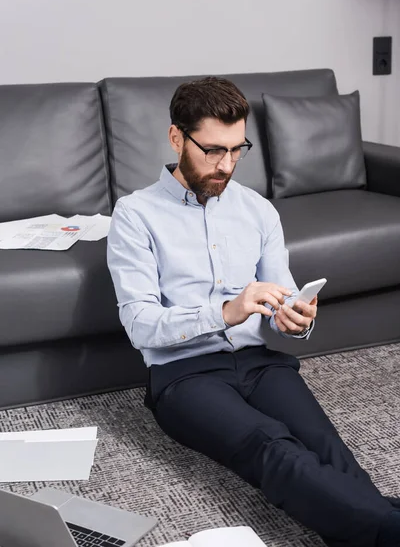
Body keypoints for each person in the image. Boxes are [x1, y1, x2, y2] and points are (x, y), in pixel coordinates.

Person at [107, 77, 400, 547]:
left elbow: (279, 299)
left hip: (260, 364)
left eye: (237, 149)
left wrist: (294, 317)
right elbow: (140, 325)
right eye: (213, 150)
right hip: (185, 376)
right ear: (177, 138)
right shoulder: (135, 215)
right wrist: (225, 311)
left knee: (328, 449)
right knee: (273, 448)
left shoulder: (258, 211)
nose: (226, 165)